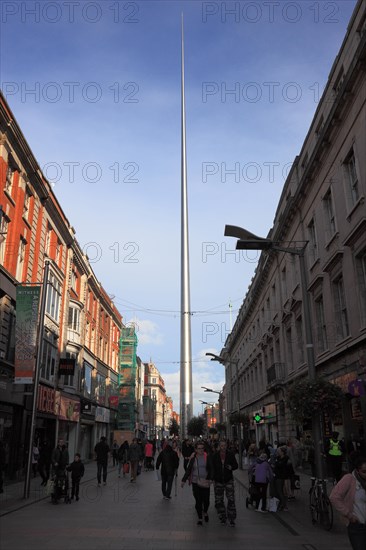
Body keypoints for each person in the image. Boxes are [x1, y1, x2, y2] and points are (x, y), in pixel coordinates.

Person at [330, 455, 366, 550]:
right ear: (357, 470)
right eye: (364, 472)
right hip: (357, 526)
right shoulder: (349, 479)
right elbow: (334, 497)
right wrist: (349, 515)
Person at [208, 440, 238, 526]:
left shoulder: (230, 454)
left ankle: (232, 518)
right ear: (219, 446)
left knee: (231, 499)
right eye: (221, 445)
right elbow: (212, 468)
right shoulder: (215, 455)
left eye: (224, 445)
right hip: (218, 481)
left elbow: (236, 465)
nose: (223, 447)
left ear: (226, 446)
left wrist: (231, 467)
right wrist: (212, 478)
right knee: (219, 500)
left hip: (228, 480)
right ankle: (222, 517)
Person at [181, 441, 211, 525]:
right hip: (195, 482)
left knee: (206, 500)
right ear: (196, 450)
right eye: (199, 448)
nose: (201, 450)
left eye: (202, 448)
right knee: (198, 500)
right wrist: (183, 480)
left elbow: (211, 468)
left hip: (205, 481)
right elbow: (189, 469)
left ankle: (205, 511)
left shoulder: (207, 457)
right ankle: (200, 518)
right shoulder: (193, 458)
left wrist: (211, 478)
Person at [270, 446, 289, 511]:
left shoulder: (285, 459)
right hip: (276, 476)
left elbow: (282, 466)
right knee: (277, 491)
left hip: (281, 476)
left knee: (280, 491)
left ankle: (284, 505)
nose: (278, 452)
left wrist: (276, 464)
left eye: (279, 451)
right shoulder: (278, 458)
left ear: (283, 452)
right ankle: (280, 504)